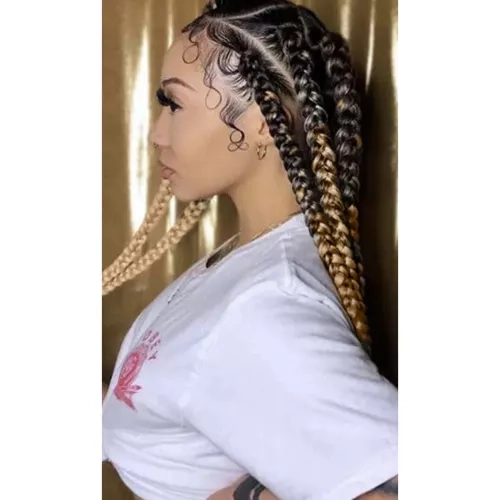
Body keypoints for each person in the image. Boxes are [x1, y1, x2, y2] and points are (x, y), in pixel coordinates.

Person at [102, 0, 398, 499]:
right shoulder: (244, 260)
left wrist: (250, 497)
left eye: (174, 104)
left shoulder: (265, 306)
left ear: (262, 120)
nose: (156, 133)